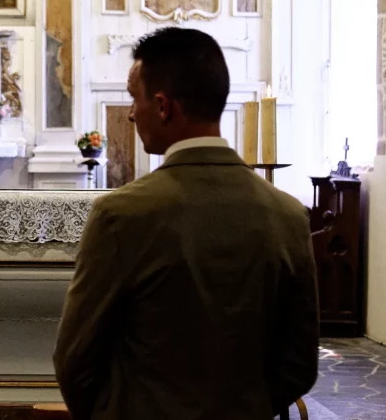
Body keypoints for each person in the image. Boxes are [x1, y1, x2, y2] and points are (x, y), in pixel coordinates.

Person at [53, 27, 319, 420]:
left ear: (163, 106)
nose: (131, 113)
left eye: (134, 98)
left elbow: (75, 359)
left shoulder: (121, 215)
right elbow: (299, 363)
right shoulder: (289, 215)